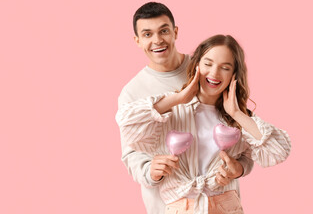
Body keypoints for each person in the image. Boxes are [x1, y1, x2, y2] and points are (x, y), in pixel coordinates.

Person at [117, 34, 291, 214]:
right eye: (208, 64)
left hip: (227, 207)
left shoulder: (237, 119)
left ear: (234, 75)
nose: (214, 74)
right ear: (196, 64)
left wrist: (237, 114)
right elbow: (126, 123)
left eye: (225, 68)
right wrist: (179, 98)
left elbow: (278, 151)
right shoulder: (172, 112)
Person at [117, 2, 254, 214]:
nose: (157, 40)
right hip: (168, 206)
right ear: (137, 40)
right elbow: (131, 154)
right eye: (147, 34)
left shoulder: (209, 69)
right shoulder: (132, 92)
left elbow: (245, 136)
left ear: (175, 32)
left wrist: (241, 168)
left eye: (164, 31)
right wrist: (149, 170)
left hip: (221, 204)